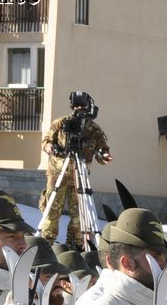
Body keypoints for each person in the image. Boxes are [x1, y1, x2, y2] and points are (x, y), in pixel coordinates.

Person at [37, 91, 112, 249]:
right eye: (77, 106)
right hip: (58, 174)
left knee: (79, 215)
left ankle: (75, 246)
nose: (79, 109)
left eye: (82, 106)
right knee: (51, 212)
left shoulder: (93, 129)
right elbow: (46, 141)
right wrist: (50, 147)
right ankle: (46, 245)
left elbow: (101, 150)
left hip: (79, 176)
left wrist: (105, 156)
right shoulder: (61, 123)